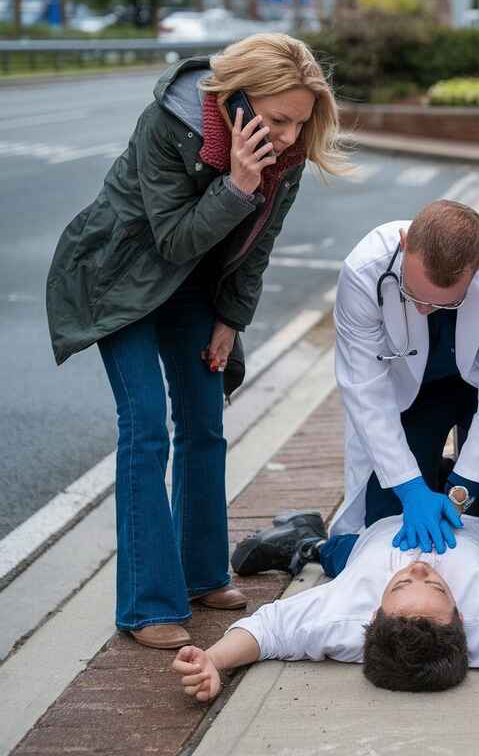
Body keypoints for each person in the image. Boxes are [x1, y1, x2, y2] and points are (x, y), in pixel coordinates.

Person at [45, 34, 347, 650]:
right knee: (147, 425)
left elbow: (255, 250)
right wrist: (238, 183)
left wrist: (230, 320)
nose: (289, 137)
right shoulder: (169, 125)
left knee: (205, 421)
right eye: (279, 120)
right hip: (120, 276)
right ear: (237, 100)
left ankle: (202, 574)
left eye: (300, 122)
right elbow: (175, 240)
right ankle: (147, 605)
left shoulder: (283, 156)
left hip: (193, 285)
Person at [173, 514, 479, 731]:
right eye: (439, 587)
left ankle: (306, 541)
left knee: (338, 555)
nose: (421, 567)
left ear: (373, 614)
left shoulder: (344, 616)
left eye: (401, 586)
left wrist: (214, 660)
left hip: (379, 529)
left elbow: (266, 631)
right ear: (461, 617)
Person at [329, 200, 479, 558]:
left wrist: (460, 491)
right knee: (384, 520)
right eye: (412, 295)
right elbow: (365, 390)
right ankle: (426, 480)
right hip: (412, 396)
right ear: (404, 244)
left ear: (478, 268)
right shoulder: (364, 269)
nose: (422, 309)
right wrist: (411, 488)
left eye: (443, 304)